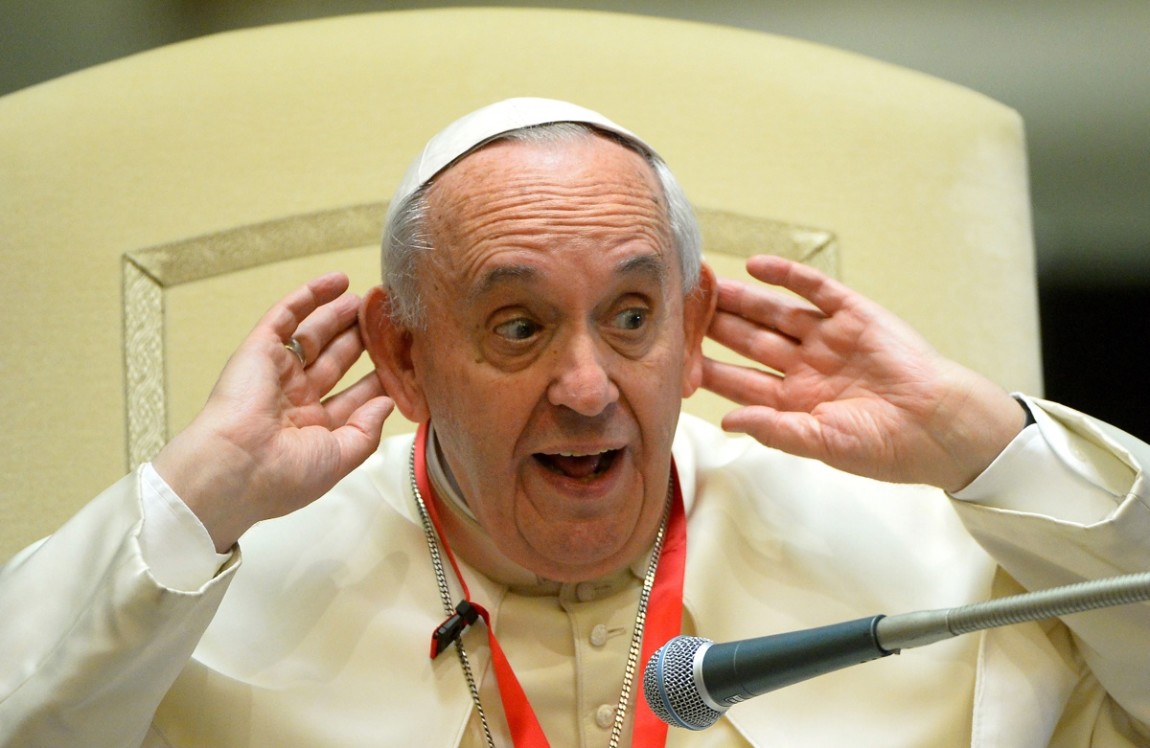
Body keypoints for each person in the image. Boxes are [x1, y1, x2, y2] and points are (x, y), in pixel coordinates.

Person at [1, 97, 1148, 747]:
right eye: (518, 325)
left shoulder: (928, 559)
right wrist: (204, 488)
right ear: (405, 354)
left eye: (633, 316)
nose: (588, 387)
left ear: (692, 326)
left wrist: (984, 440)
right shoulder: (214, 595)